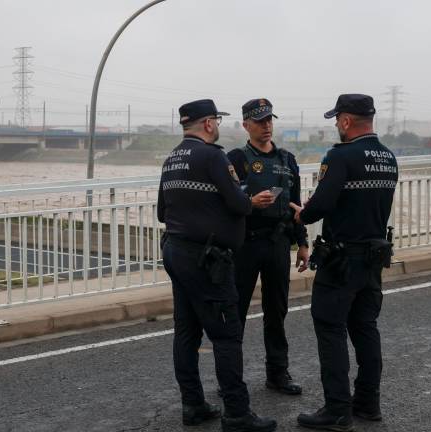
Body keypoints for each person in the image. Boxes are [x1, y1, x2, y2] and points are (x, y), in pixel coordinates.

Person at [157, 99, 277, 432]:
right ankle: (238, 414)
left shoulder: (171, 160)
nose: (218, 126)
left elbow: (161, 213)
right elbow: (239, 203)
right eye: (216, 121)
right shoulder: (213, 156)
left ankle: (192, 405)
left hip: (177, 252)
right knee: (226, 335)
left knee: (186, 331)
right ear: (209, 124)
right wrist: (248, 201)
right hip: (206, 260)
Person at [290, 94, 398, 431]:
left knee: (330, 328)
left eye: (338, 119)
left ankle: (337, 410)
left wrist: (302, 213)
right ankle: (367, 403)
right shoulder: (388, 157)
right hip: (374, 257)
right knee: (365, 329)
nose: (337, 125)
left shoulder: (341, 156)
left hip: (341, 260)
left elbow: (320, 205)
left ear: (347, 121)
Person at [226, 98, 308, 396]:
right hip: (245, 246)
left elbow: (296, 205)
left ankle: (278, 373)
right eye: (260, 121)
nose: (266, 126)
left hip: (277, 243)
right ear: (246, 125)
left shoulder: (288, 160)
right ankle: (231, 380)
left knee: (277, 312)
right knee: (235, 313)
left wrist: (302, 242)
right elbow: (226, 204)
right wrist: (250, 203)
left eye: (269, 120)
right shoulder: (236, 158)